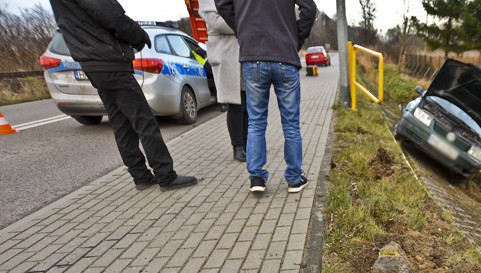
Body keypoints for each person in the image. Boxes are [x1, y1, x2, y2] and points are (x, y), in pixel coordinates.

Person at [48, 0, 197, 191]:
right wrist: (138, 35)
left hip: (92, 64)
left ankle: (141, 177)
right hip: (110, 61)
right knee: (144, 121)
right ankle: (166, 175)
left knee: (121, 124)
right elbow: (110, 15)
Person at [215, 0, 317, 194]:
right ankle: (295, 178)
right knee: (291, 123)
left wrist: (242, 29)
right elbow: (309, 8)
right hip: (285, 56)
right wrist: (295, 39)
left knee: (256, 122)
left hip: (252, 56)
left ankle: (257, 178)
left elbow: (221, 4)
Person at [198, 0, 249, 162]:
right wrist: (246, 21)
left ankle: (248, 144)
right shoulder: (206, 2)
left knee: (247, 104)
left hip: (242, 53)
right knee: (235, 105)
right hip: (226, 53)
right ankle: (238, 147)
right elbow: (218, 23)